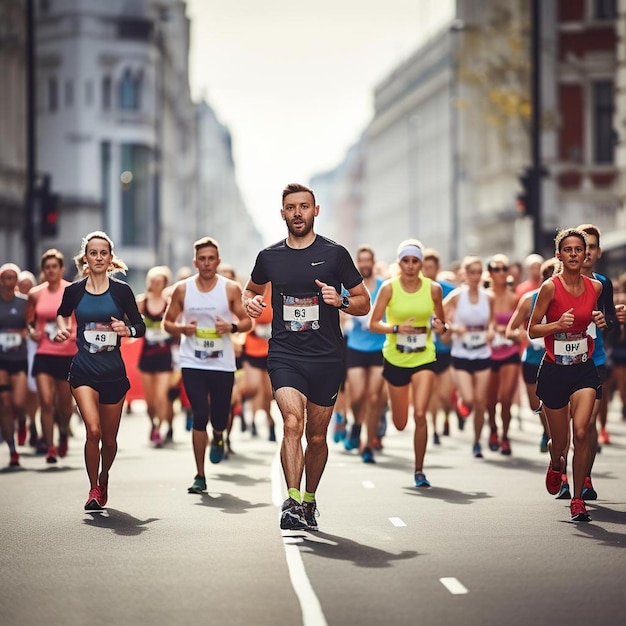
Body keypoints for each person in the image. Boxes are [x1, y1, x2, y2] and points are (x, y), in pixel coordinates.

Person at [242, 182, 370, 531]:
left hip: (327, 357)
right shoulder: (269, 257)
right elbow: (250, 290)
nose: (297, 213)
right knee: (292, 424)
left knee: (316, 438)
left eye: (304, 206)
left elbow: (363, 301)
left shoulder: (335, 254)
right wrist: (250, 302)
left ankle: (310, 500)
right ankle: (293, 500)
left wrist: (340, 300)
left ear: (315, 211)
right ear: (282, 213)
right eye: (291, 207)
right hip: (285, 354)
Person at [56, 231, 146, 510]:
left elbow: (139, 327)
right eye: (93, 253)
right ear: (86, 258)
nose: (98, 257)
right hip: (83, 370)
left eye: (103, 253)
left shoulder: (121, 291)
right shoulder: (74, 291)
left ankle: (104, 477)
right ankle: (93, 489)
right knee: (92, 431)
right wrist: (62, 328)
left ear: (110, 258)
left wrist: (126, 329)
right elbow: (62, 312)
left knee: (109, 440)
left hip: (113, 374)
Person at [162, 237, 252, 494]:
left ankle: (220, 436)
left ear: (218, 261)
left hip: (222, 363)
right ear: (195, 262)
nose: (207, 263)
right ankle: (199, 475)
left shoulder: (230, 289)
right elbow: (168, 322)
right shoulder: (182, 289)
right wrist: (182, 329)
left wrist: (231, 327)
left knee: (220, 416)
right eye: (202, 258)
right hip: (192, 361)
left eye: (211, 258)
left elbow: (247, 323)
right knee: (199, 414)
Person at [528, 228, 605, 522]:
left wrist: (600, 320)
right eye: (568, 250)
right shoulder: (550, 287)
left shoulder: (594, 288)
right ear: (559, 255)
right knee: (560, 443)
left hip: (584, 368)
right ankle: (555, 462)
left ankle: (577, 499)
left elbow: (593, 321)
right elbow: (532, 329)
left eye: (579, 250)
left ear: (586, 255)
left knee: (582, 432)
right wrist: (558, 325)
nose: (574, 255)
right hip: (554, 370)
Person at [369, 239, 449, 486]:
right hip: (395, 358)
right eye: (406, 261)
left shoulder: (433, 289)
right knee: (401, 423)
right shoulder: (389, 289)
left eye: (415, 261)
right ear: (399, 263)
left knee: (421, 414)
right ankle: (390, 416)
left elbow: (442, 326)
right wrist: (395, 328)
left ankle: (419, 470)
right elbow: (374, 324)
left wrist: (439, 326)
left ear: (421, 264)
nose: (411, 266)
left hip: (424, 356)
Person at [575, 224, 625, 499]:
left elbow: (612, 329)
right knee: (567, 430)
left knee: (587, 424)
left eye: (592, 247)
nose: (587, 253)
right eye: (583, 247)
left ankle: (585, 478)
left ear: (598, 251)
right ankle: (558, 460)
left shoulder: (603, 283)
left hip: (594, 360)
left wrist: (613, 321)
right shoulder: (556, 284)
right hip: (562, 361)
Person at [25, 249, 77, 463]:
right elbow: (29, 321)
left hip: (66, 353)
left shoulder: (72, 290)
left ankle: (63, 430)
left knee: (64, 405)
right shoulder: (36, 293)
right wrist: (32, 331)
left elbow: (78, 319)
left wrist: (71, 335)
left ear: (61, 269)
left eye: (55, 267)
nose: (50, 271)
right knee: (46, 401)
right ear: (42, 270)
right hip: (44, 352)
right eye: (47, 267)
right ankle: (50, 447)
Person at [443, 256, 495, 458]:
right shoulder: (457, 296)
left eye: (478, 272)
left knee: (481, 402)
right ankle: (462, 403)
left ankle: (476, 442)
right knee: (470, 399)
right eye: (471, 272)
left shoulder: (488, 297)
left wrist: (490, 331)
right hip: (461, 353)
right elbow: (438, 315)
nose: (475, 276)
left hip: (482, 352)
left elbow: (491, 320)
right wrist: (454, 327)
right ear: (465, 274)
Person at [344, 245, 386, 463]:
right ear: (357, 263)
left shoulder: (383, 287)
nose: (365, 264)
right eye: (361, 260)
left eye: (368, 260)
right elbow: (340, 310)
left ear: (373, 262)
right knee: (358, 395)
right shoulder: (350, 286)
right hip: (356, 347)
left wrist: (379, 323)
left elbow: (391, 313)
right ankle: (356, 423)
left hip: (379, 347)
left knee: (373, 397)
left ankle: (368, 444)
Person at [485, 254, 520, 455]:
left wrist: (514, 334)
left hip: (509, 352)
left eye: (504, 269)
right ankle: (493, 428)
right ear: (489, 273)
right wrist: (490, 330)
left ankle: (505, 436)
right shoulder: (484, 297)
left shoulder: (514, 298)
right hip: (488, 353)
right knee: (491, 399)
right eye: (496, 269)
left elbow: (522, 327)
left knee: (506, 398)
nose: (500, 273)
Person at [136, 265, 175, 447]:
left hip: (165, 356)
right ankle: (153, 422)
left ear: (165, 283)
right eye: (152, 280)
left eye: (159, 281)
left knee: (161, 397)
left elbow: (177, 326)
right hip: (146, 356)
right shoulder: (141, 303)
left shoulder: (169, 304)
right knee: (150, 401)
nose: (156, 284)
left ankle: (159, 428)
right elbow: (131, 324)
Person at [421, 248, 456, 443]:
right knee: (432, 392)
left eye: (431, 267)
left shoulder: (448, 290)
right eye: (424, 267)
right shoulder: (417, 289)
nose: (427, 271)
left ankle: (446, 416)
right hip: (425, 347)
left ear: (437, 268)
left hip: (445, 348)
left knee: (444, 394)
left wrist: (447, 327)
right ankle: (433, 428)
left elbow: (455, 314)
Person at [0, 263, 28, 468]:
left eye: (12, 278)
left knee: (18, 403)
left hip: (19, 358)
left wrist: (24, 333)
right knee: (4, 404)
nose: (9, 282)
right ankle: (12, 449)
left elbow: (32, 325)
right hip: (2, 359)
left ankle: (23, 421)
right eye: (5, 278)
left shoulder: (25, 303)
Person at [17, 270, 41, 448]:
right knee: (18, 395)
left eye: (28, 286)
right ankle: (22, 420)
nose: (25, 289)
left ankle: (32, 424)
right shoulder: (12, 303)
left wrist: (31, 332)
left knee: (32, 390)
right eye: (22, 285)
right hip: (14, 354)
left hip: (32, 350)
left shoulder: (36, 302)